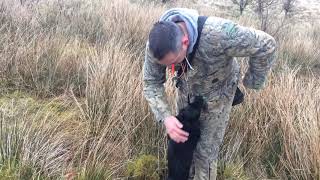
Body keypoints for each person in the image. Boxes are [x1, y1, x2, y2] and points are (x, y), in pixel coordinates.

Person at [142, 8, 276, 180]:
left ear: (185, 41)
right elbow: (151, 82)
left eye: (174, 63)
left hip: (218, 98)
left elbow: (267, 44)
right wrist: (166, 117)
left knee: (205, 155)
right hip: (187, 94)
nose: (169, 68)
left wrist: (252, 82)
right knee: (185, 147)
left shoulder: (220, 34)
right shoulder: (155, 45)